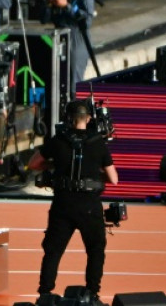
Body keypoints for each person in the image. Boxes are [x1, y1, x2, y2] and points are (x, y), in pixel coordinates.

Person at [29, 100, 118, 305]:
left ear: (68, 118)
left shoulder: (58, 140)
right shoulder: (98, 142)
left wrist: (56, 164)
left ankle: (44, 293)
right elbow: (113, 178)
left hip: (63, 204)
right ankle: (92, 293)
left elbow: (33, 163)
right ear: (89, 118)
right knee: (95, 249)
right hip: (89, 205)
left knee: (53, 250)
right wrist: (93, 175)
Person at [45, 0, 95, 89]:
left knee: (74, 84)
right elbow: (43, 19)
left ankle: (74, 107)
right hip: (58, 39)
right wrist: (48, 4)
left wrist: (67, 6)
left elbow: (87, 21)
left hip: (77, 39)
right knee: (56, 84)